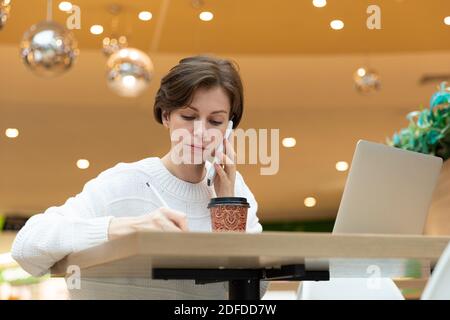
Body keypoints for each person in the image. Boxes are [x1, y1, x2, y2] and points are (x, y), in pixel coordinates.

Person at [11, 55, 266, 299]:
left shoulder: (236, 192)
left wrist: (227, 207)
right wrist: (128, 228)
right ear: (166, 116)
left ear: (229, 127)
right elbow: (26, 249)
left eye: (216, 121)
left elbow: (253, 291)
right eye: (188, 117)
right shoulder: (125, 181)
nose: (201, 132)